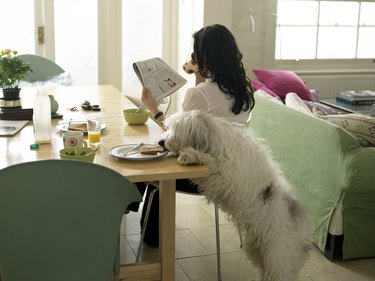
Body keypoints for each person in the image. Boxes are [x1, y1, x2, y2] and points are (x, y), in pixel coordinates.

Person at [131, 24, 255, 247]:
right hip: (232, 171)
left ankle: (132, 213)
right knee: (156, 154)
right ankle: (136, 212)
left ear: (205, 58)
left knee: (152, 159)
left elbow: (175, 137)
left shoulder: (199, 94)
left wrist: (153, 109)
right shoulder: (243, 91)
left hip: (201, 173)